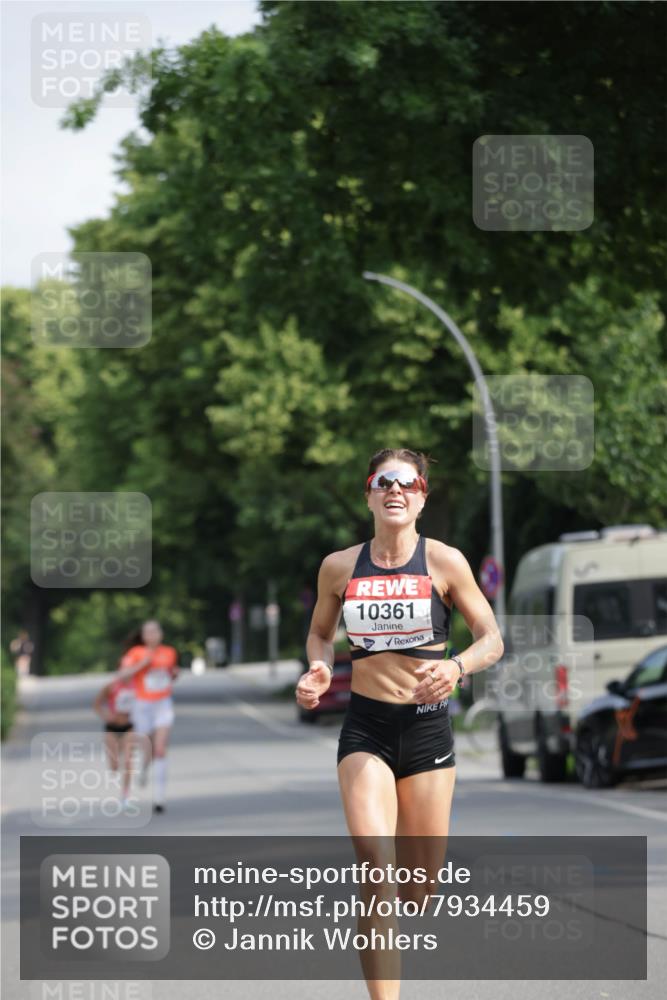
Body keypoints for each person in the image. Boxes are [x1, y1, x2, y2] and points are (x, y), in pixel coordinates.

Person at [296, 448, 504, 1000]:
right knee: (376, 870)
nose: (395, 490)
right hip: (365, 729)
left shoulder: (445, 563)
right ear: (368, 493)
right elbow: (321, 631)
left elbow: (493, 638)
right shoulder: (339, 567)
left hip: (428, 729)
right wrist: (319, 666)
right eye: (383, 481)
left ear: (421, 496)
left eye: (407, 483)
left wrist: (456, 666)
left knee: (417, 891)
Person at [119, 620, 179, 814]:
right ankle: (144, 767)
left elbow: (170, 675)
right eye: (148, 632)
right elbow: (123, 675)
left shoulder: (169, 652)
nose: (152, 635)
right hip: (142, 706)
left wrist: (175, 674)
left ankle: (159, 798)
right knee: (146, 749)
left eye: (155, 631)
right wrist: (142, 664)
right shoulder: (135, 653)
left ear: (161, 634)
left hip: (163, 704)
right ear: (143, 636)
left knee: (160, 749)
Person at [93, 669, 136, 809]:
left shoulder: (137, 685)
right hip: (112, 728)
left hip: (129, 727)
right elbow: (97, 704)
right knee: (115, 766)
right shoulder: (111, 686)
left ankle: (125, 795)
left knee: (128, 761)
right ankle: (114, 768)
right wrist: (106, 715)